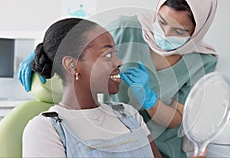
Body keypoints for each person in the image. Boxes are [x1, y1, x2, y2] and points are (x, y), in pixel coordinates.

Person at [19, 0, 218, 157]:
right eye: (162, 22)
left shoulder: (130, 116)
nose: (165, 34)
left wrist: (150, 99)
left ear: (196, 31)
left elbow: (176, 118)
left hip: (164, 144)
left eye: (179, 31)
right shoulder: (48, 129)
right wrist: (45, 49)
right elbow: (80, 37)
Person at [22, 18, 161, 157]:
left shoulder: (129, 115)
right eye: (107, 55)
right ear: (72, 65)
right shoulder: (45, 129)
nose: (119, 62)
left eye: (115, 53)